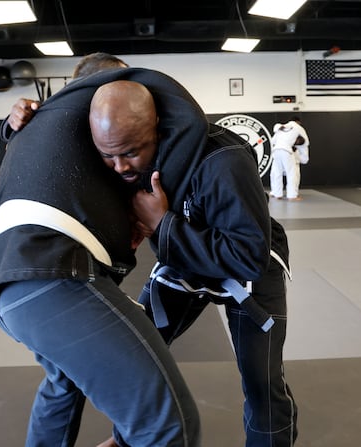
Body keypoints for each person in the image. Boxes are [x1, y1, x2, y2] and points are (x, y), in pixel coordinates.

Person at [0, 66, 200, 445]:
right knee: (167, 424)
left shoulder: (46, 128)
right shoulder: (77, 110)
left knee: (63, 382)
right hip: (52, 276)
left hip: (3, 283)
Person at [88, 75, 297, 447]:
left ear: (156, 127)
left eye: (131, 152)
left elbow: (247, 258)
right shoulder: (118, 152)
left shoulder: (223, 160)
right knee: (138, 351)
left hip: (251, 265)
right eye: (109, 155)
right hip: (185, 262)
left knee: (261, 381)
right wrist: (17, 124)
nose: (119, 167)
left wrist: (161, 224)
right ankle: (127, 437)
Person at [1, 52, 128, 141]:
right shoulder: (50, 113)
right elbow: (13, 127)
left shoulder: (126, 116)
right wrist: (15, 120)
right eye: (122, 83)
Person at [269, 117, 309, 200]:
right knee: (291, 173)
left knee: (277, 173)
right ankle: (292, 196)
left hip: (276, 150)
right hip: (286, 150)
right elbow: (306, 141)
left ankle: (277, 194)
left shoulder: (281, 127)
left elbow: (272, 141)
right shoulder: (298, 127)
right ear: (298, 122)